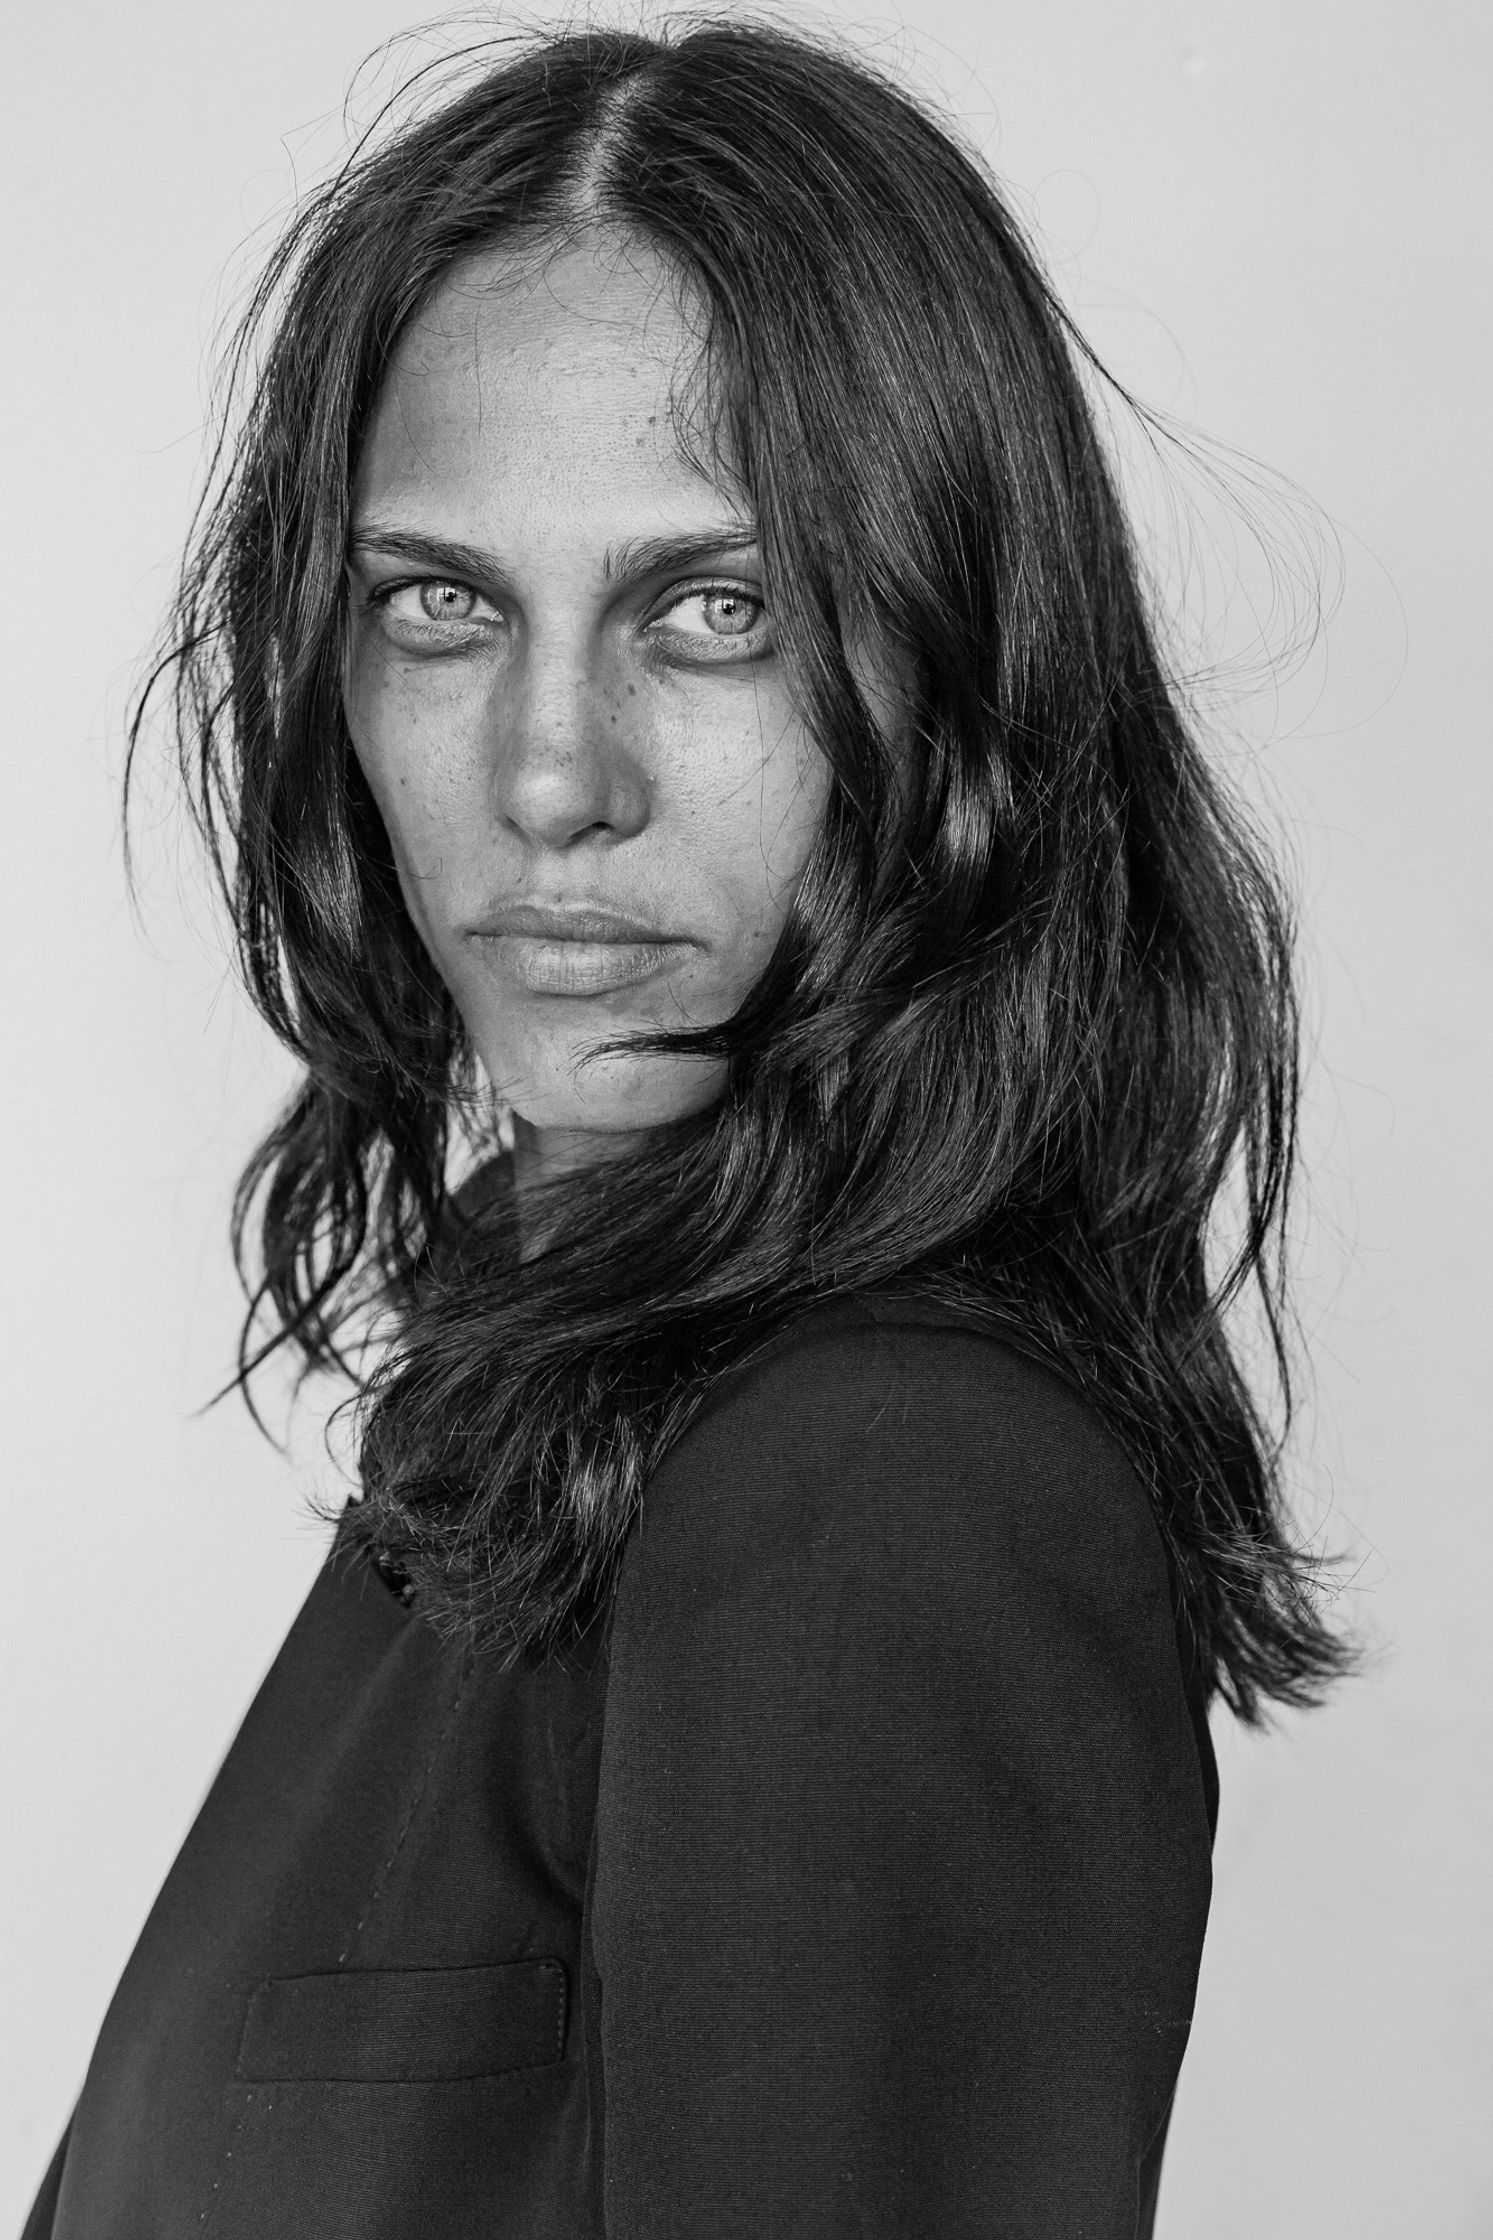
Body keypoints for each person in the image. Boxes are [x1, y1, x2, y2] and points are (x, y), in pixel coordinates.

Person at [23, 20, 1349, 2239]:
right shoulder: (539, 1370)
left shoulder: (886, 1478)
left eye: (715, 612)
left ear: (956, 666)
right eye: (443, 605)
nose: (553, 777)